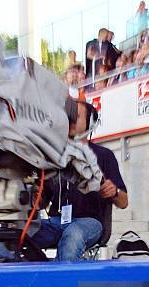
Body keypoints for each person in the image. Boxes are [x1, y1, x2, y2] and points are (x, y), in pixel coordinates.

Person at [31, 102, 129, 261]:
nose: (69, 119)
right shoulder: (53, 157)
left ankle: (63, 282)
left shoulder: (104, 155)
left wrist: (115, 192)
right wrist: (33, 196)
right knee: (16, 234)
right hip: (56, 222)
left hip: (90, 223)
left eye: (75, 116)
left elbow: (124, 202)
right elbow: (41, 202)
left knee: (73, 235)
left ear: (90, 122)